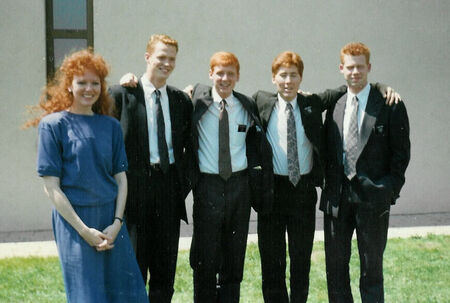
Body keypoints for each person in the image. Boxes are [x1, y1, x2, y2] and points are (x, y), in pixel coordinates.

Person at [253, 51, 402, 303]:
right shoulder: (259, 102)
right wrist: (193, 90)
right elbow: (226, 95)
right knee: (272, 262)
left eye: (293, 75)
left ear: (301, 79)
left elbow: (351, 84)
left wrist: (381, 85)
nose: (288, 81)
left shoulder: (312, 103)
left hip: (302, 191)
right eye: (283, 75)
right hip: (272, 192)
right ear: (273, 78)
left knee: (301, 261)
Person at [25, 49, 148, 302]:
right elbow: (51, 188)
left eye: (95, 83)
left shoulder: (111, 126)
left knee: (129, 294)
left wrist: (116, 223)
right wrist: (84, 231)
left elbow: (121, 179)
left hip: (111, 222)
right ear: (69, 85)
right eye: (82, 82)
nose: (89, 89)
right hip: (75, 223)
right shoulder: (53, 125)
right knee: (88, 296)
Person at [320, 42, 410, 303]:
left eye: (360, 67)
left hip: (373, 200)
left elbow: (401, 154)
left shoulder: (389, 104)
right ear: (341, 69)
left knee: (372, 270)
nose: (355, 72)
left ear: (369, 67)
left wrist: (388, 190)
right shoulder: (335, 105)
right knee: (336, 270)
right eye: (350, 67)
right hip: (337, 199)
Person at [109, 34, 193, 302]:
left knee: (164, 275)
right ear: (147, 58)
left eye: (171, 59)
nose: (166, 63)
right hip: (134, 195)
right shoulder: (123, 94)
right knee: (134, 272)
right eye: (161, 57)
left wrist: (181, 186)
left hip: (168, 193)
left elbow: (189, 149)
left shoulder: (181, 100)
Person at [189, 51, 272, 302]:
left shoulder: (247, 105)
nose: (225, 79)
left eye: (230, 74)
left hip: (239, 186)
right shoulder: (196, 102)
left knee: (234, 255)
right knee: (205, 255)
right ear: (210, 74)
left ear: (238, 77)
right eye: (220, 73)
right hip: (208, 185)